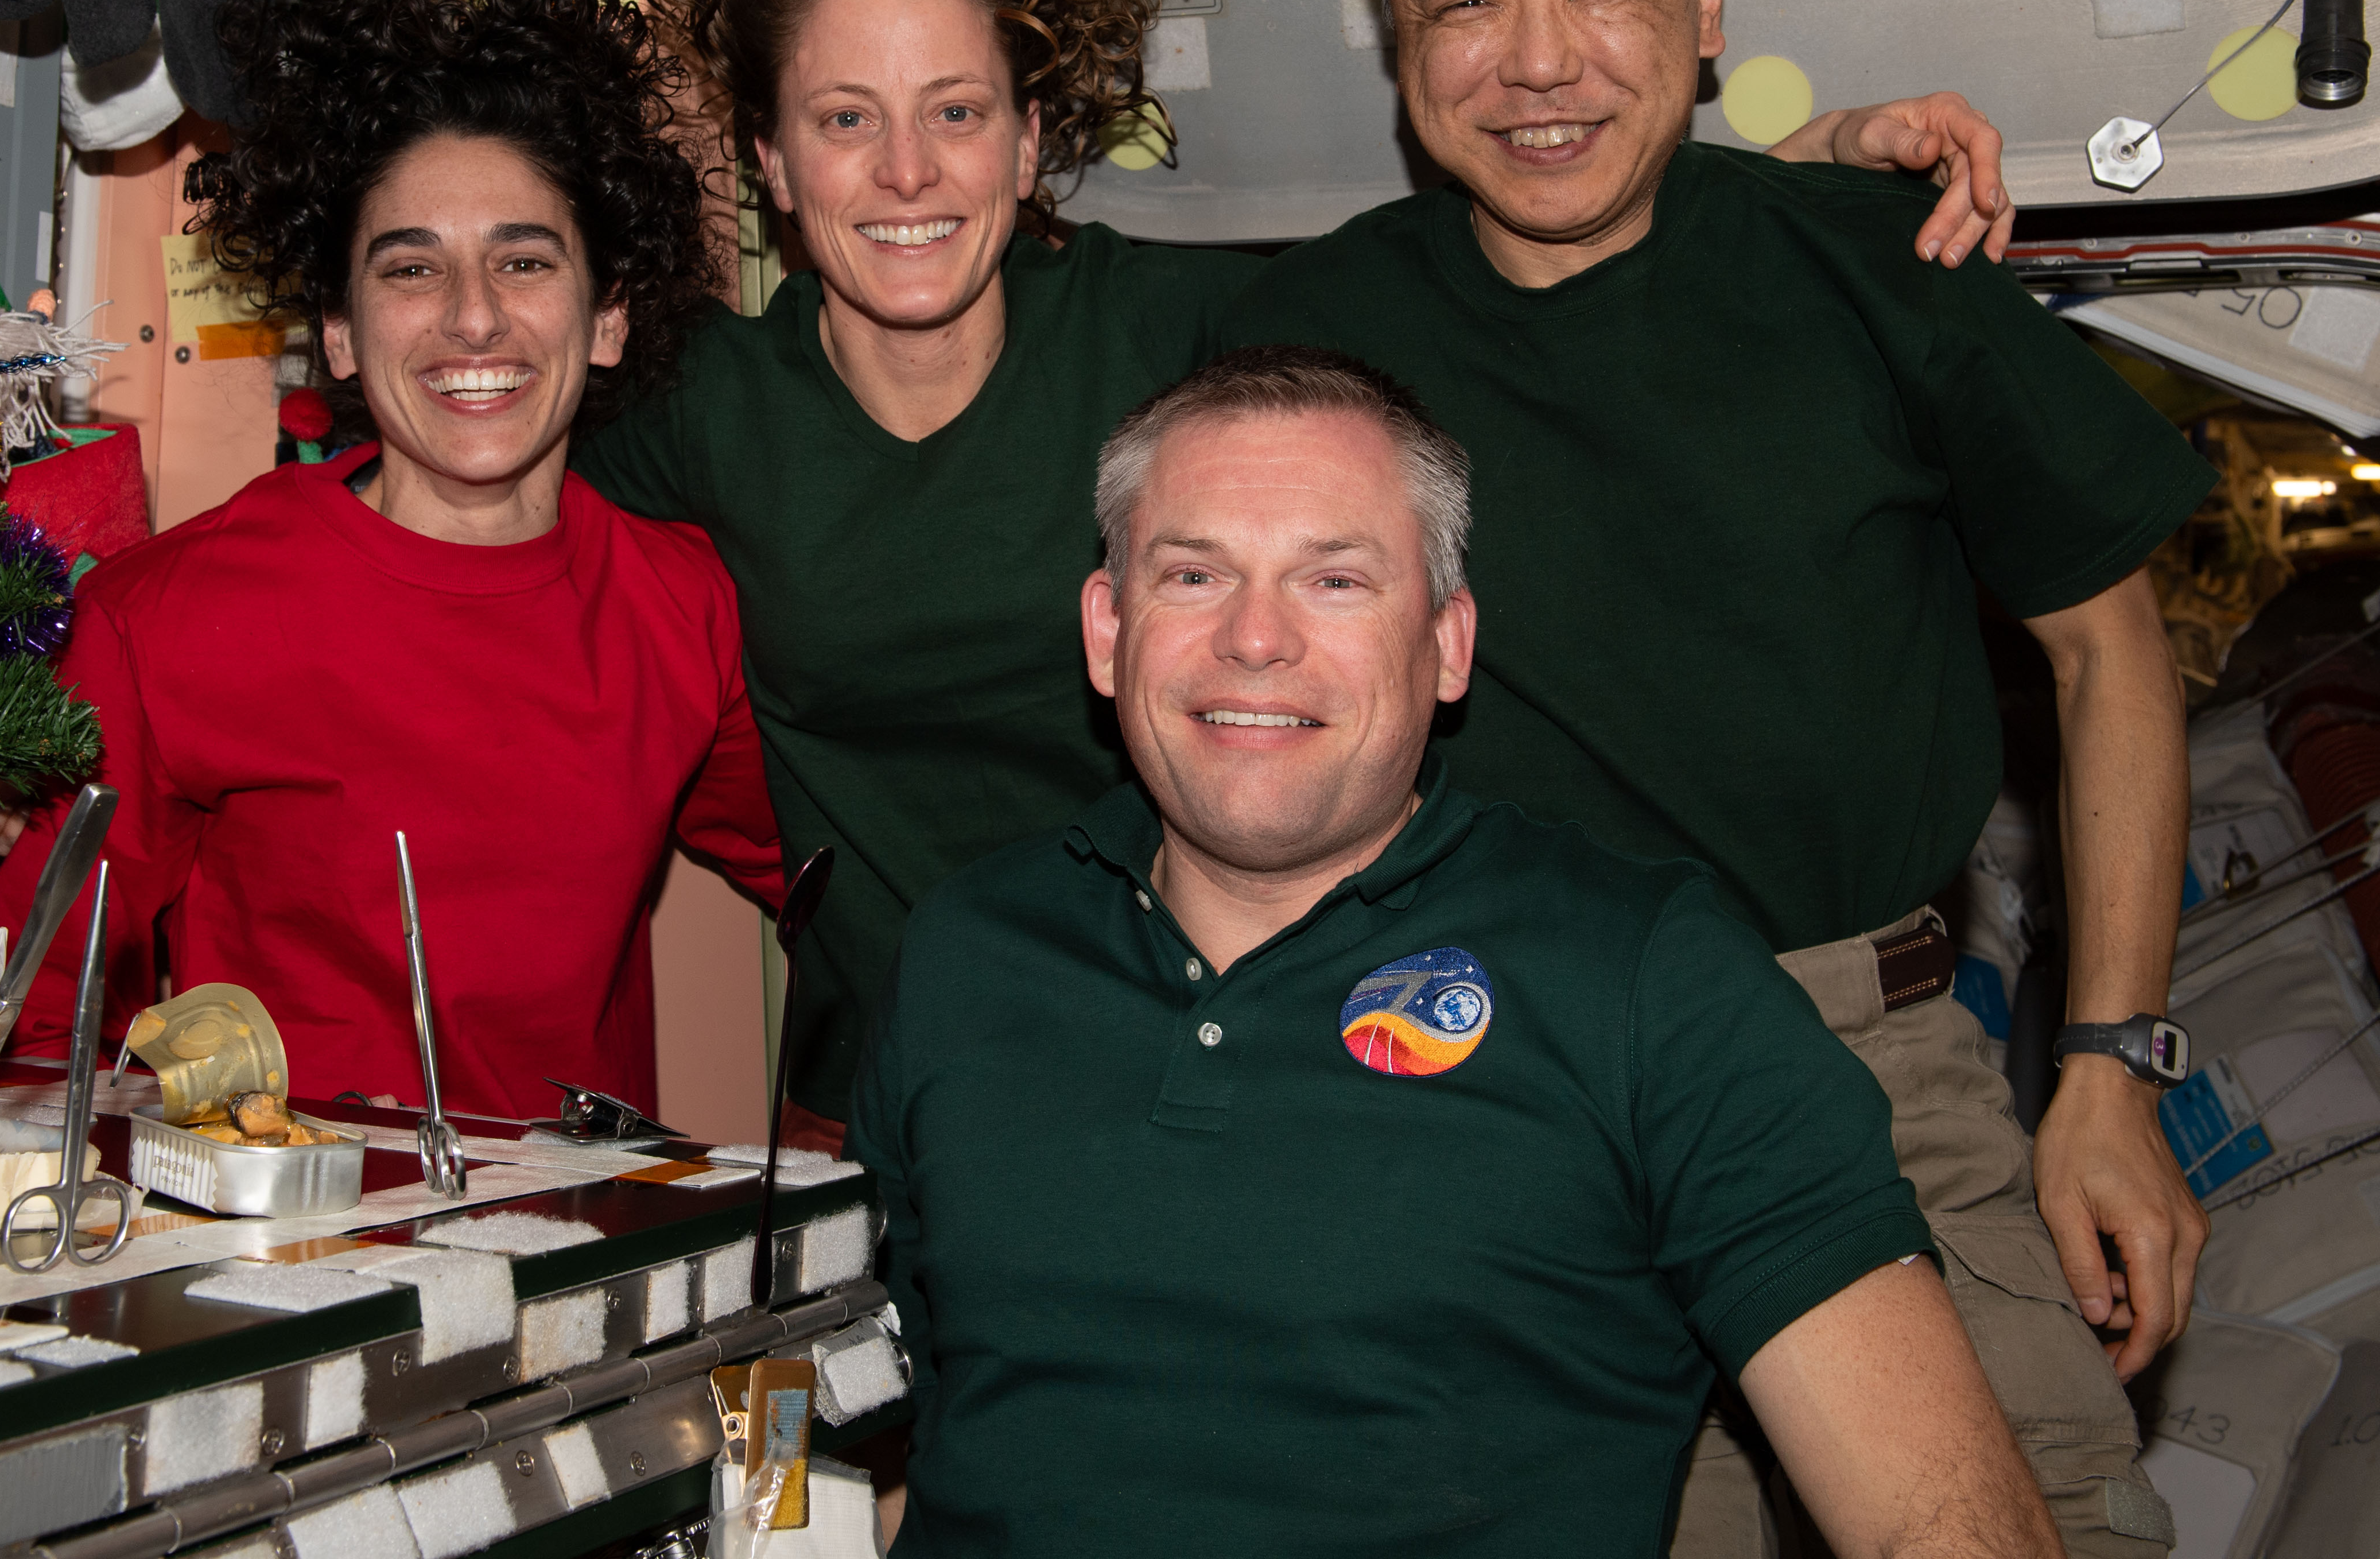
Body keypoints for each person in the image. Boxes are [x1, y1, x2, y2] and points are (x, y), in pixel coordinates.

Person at [583, 0, 2019, 1139]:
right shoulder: (704, 410)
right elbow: (475, 516)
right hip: (885, 1100)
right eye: (844, 120)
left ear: (1031, 141)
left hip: (1218, 1074)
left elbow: (1525, 280)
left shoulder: (1184, 337)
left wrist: (1784, 178)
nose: (907, 170)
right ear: (771, 160)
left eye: (956, 111)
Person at [1217, 0, 2215, 1557]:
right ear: (1396, 34)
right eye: (1469, 4)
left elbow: (2108, 652)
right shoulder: (1306, 349)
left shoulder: (1879, 268)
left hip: (1880, 1080)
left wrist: (2106, 1070)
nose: (1539, 63)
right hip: (1499, 1095)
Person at [849, 347, 2061, 1558]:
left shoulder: (1648, 977)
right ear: (1108, 631)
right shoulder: (966, 951)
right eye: (1194, 572)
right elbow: (887, 1451)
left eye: (1334, 578)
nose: (1256, 637)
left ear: (1447, 640)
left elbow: (1943, 1522)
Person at [0, 0, 783, 1116]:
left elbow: (834, 870)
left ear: (608, 316)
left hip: (572, 1250)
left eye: (525, 262)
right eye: (410, 267)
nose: (471, 318)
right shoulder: (165, 619)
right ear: (342, 334)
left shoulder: (682, 599)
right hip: (278, 1269)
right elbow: (28, 1013)